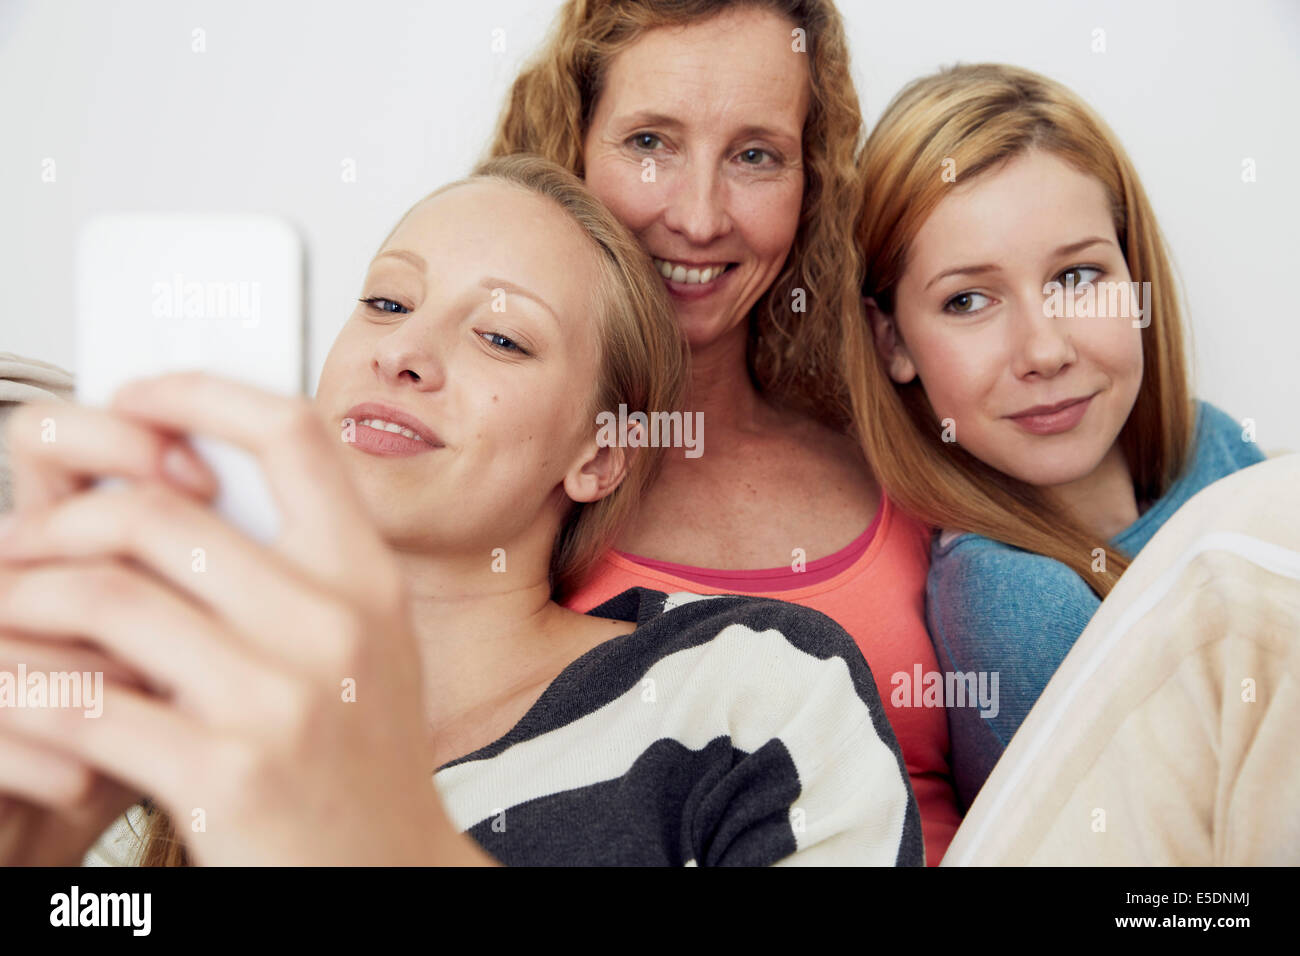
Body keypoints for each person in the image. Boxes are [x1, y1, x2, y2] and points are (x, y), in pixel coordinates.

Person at [0, 154, 922, 866]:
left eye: (500, 336)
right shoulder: (174, 715)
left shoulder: (750, 686)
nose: (403, 351)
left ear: (600, 453)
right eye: (387, 300)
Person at [487, 0, 961, 864]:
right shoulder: (491, 483)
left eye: (755, 156)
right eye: (649, 143)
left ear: (811, 182)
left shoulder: (901, 448)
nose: (700, 218)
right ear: (570, 153)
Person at [851, 63, 1272, 811]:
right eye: (969, 300)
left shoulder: (1218, 450)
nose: (1044, 351)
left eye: (1077, 277)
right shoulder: (1014, 602)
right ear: (892, 342)